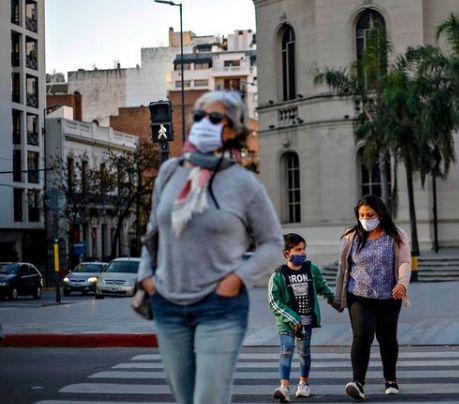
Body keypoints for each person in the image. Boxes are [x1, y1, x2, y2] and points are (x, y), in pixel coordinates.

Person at [137, 90, 284, 404]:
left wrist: (237, 279)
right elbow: (153, 231)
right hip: (167, 302)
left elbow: (273, 243)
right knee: (185, 398)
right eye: (199, 117)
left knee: (208, 399)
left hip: (220, 307)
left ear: (232, 130)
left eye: (214, 118)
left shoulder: (245, 184)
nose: (204, 123)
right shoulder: (170, 172)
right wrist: (146, 279)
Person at [334, 195, 411, 400]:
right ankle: (358, 382)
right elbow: (343, 267)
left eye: (370, 215)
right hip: (358, 296)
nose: (365, 219)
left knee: (387, 338)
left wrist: (402, 283)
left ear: (381, 214)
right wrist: (337, 296)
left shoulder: (396, 235)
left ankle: (390, 379)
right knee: (362, 336)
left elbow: (404, 262)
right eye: (361, 215)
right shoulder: (351, 236)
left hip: (389, 296)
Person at [268, 233, 340, 402]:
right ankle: (284, 387)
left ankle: (303, 384)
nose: (302, 253)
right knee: (286, 351)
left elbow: (323, 288)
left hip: (306, 321)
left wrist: (335, 302)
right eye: (298, 250)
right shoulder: (278, 275)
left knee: (304, 353)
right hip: (286, 323)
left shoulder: (311, 269)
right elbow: (274, 301)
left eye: (303, 249)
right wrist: (292, 318)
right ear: (287, 253)